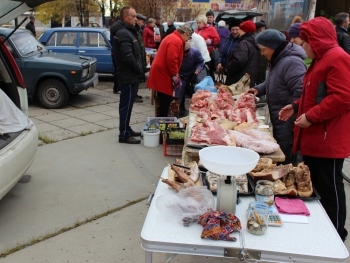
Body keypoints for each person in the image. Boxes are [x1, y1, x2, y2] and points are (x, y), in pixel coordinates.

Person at [279, 17, 350, 241]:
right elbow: (314, 95)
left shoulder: (337, 58)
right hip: (314, 136)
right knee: (315, 186)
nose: (302, 48)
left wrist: (311, 116)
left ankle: (337, 233)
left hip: (328, 137)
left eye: (304, 43)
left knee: (330, 187)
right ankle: (322, 228)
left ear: (316, 40)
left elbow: (343, 97)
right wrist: (295, 106)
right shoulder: (320, 59)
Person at [247, 29, 307, 164]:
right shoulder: (279, 60)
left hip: (288, 121)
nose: (262, 53)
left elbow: (302, 91)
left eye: (263, 49)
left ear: (273, 47)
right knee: (281, 151)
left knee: (286, 157)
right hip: (280, 118)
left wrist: (292, 112)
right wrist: (258, 89)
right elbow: (273, 81)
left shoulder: (291, 62)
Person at [113, 6, 146, 144]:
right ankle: (124, 134)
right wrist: (139, 68)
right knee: (126, 105)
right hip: (128, 76)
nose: (136, 19)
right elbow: (127, 56)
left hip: (130, 75)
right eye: (133, 16)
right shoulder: (123, 33)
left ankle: (126, 128)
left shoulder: (127, 31)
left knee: (128, 105)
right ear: (126, 17)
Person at [147, 25, 193, 117]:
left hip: (161, 70)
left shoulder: (172, 37)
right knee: (165, 98)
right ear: (184, 34)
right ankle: (162, 121)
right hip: (163, 72)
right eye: (188, 37)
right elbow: (172, 59)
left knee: (163, 98)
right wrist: (174, 75)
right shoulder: (176, 40)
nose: (188, 39)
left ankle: (161, 119)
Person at [224, 20, 260, 86]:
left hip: (239, 80)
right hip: (249, 78)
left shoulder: (243, 43)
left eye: (240, 29)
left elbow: (239, 60)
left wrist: (228, 68)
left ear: (244, 30)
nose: (238, 31)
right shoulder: (254, 41)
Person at [178, 41, 205, 116]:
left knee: (193, 94)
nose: (185, 54)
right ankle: (181, 109)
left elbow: (201, 62)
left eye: (187, 52)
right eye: (184, 52)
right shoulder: (177, 52)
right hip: (181, 75)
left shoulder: (195, 51)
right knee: (180, 94)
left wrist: (197, 70)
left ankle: (196, 110)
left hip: (191, 75)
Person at [195, 14, 220, 81]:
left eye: (199, 23)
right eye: (197, 23)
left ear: (204, 22)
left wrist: (210, 41)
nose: (198, 24)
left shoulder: (211, 29)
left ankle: (211, 84)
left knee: (209, 71)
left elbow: (217, 39)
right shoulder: (197, 30)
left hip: (208, 53)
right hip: (198, 54)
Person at [134, 13, 147, 103]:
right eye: (141, 22)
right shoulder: (134, 30)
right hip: (137, 58)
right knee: (135, 79)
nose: (142, 24)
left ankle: (135, 94)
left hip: (140, 57)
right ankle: (134, 95)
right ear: (137, 20)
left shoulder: (138, 30)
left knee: (138, 78)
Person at [110, 16, 121, 94]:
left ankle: (116, 87)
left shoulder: (114, 28)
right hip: (116, 53)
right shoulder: (117, 30)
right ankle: (117, 88)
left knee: (117, 71)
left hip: (114, 52)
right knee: (118, 71)